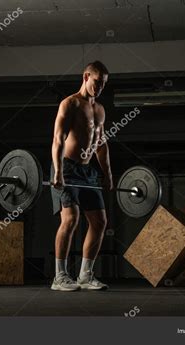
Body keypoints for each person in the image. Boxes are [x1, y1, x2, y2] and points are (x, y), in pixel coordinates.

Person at [50, 61, 112, 291]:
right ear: (86, 76)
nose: (100, 88)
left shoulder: (100, 109)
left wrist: (108, 175)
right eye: (97, 82)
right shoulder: (70, 104)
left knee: (100, 221)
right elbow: (58, 139)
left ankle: (85, 276)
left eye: (104, 84)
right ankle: (60, 277)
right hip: (66, 167)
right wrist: (57, 171)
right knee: (71, 219)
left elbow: (102, 144)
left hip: (88, 171)